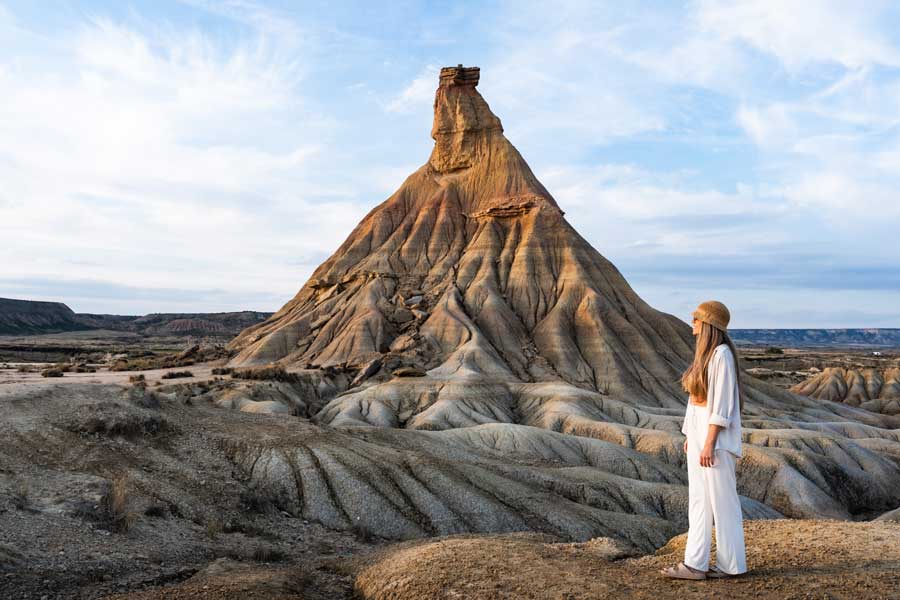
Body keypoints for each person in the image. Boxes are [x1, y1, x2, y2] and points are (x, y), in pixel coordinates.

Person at [660, 300, 748, 580]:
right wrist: (690, 435)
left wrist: (709, 442)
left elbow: (722, 405)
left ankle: (731, 565)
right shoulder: (706, 355)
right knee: (698, 500)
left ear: (709, 324)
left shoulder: (722, 355)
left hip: (716, 441)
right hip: (700, 436)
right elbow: (694, 403)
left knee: (723, 503)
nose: (692, 324)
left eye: (696, 320)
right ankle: (695, 564)